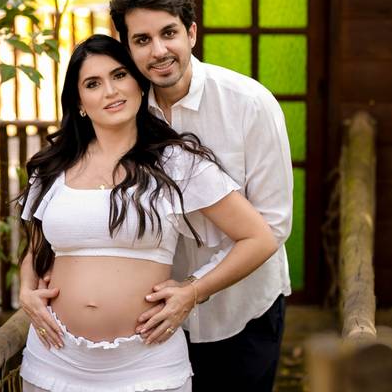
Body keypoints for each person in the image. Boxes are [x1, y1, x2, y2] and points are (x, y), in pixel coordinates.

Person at [17, 34, 278, 392]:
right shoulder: (52, 168)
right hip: (54, 357)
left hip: (147, 364)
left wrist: (193, 290)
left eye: (119, 75)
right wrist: (25, 290)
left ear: (139, 85)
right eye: (93, 84)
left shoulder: (177, 163)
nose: (110, 91)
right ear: (79, 103)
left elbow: (259, 238)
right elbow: (36, 250)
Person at [108, 0, 294, 391]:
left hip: (245, 309)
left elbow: (274, 225)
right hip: (153, 319)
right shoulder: (122, 111)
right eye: (142, 40)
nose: (159, 51)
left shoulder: (251, 105)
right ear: (128, 48)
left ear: (191, 32)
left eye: (169, 33)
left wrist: (193, 290)